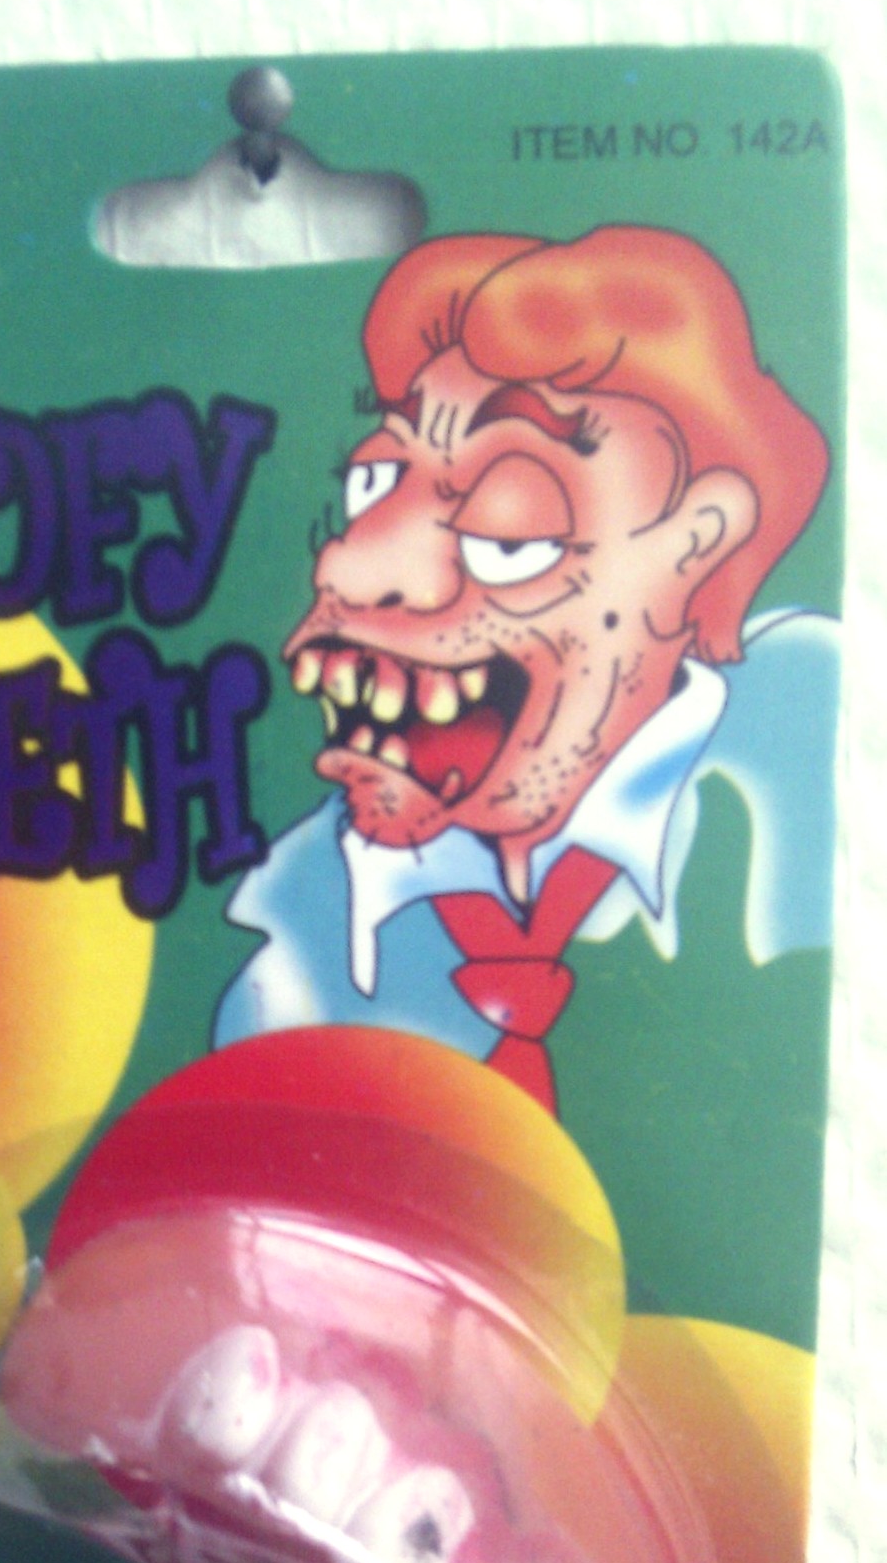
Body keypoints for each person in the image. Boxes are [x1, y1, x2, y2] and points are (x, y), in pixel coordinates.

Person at [214, 226, 837, 1115]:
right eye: (375, 484)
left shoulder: (805, 768)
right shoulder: (299, 944)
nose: (347, 567)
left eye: (508, 531)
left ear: (695, 541)